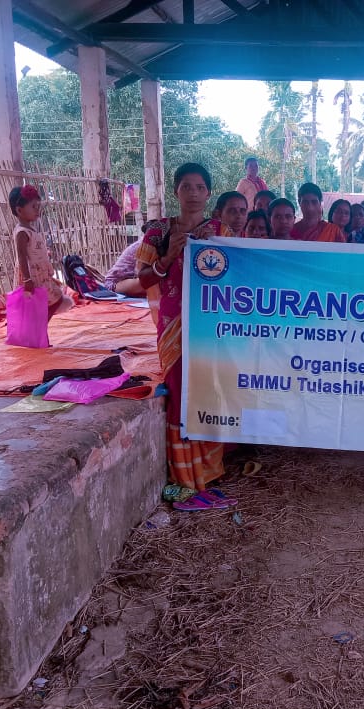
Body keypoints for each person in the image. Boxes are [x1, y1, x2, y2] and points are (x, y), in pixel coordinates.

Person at [135, 162, 232, 494]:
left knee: (209, 386)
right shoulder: (158, 232)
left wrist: (215, 245)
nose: (193, 193)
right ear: (175, 190)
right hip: (174, 323)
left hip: (210, 326)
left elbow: (240, 274)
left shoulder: (221, 230)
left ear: (208, 193)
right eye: (186, 186)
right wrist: (167, 257)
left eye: (200, 187)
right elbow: (142, 279)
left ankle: (209, 467)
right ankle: (185, 475)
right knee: (178, 391)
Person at [9, 184, 74, 320]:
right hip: (33, 277)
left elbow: (33, 250)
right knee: (46, 302)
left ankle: (40, 331)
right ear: (20, 210)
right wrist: (27, 279)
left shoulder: (31, 230)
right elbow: (21, 256)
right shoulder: (22, 232)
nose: (37, 210)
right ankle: (39, 331)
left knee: (52, 301)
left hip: (41, 275)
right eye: (33, 207)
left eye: (38, 206)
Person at [103, 220, 155, 298]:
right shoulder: (144, 246)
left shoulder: (151, 245)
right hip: (116, 283)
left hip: (130, 280)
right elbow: (139, 272)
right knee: (151, 283)